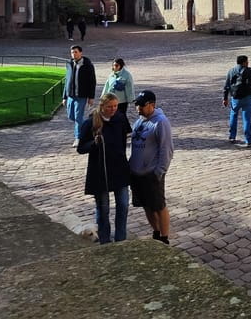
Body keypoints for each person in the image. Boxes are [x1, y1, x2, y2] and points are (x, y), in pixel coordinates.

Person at [77, 93, 131, 244]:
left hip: (119, 169)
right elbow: (81, 148)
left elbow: (124, 139)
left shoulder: (120, 118)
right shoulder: (91, 123)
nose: (113, 109)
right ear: (102, 106)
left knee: (123, 205)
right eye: (109, 107)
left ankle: (121, 238)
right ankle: (105, 240)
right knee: (103, 208)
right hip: (100, 171)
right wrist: (94, 144)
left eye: (115, 106)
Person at [129, 90, 174, 245]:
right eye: (137, 105)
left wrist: (159, 171)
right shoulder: (139, 122)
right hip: (137, 173)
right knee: (146, 205)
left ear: (152, 105)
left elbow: (166, 149)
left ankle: (164, 237)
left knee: (159, 205)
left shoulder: (161, 122)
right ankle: (156, 232)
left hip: (152, 173)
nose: (138, 108)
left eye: (142, 105)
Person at [62, 45, 97, 147]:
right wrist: (64, 96)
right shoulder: (69, 64)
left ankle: (78, 137)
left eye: (76, 52)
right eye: (72, 52)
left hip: (81, 95)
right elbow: (67, 81)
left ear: (81, 53)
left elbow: (92, 82)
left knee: (78, 117)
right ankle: (86, 126)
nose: (74, 54)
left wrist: (91, 97)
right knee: (71, 116)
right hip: (70, 95)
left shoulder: (87, 65)